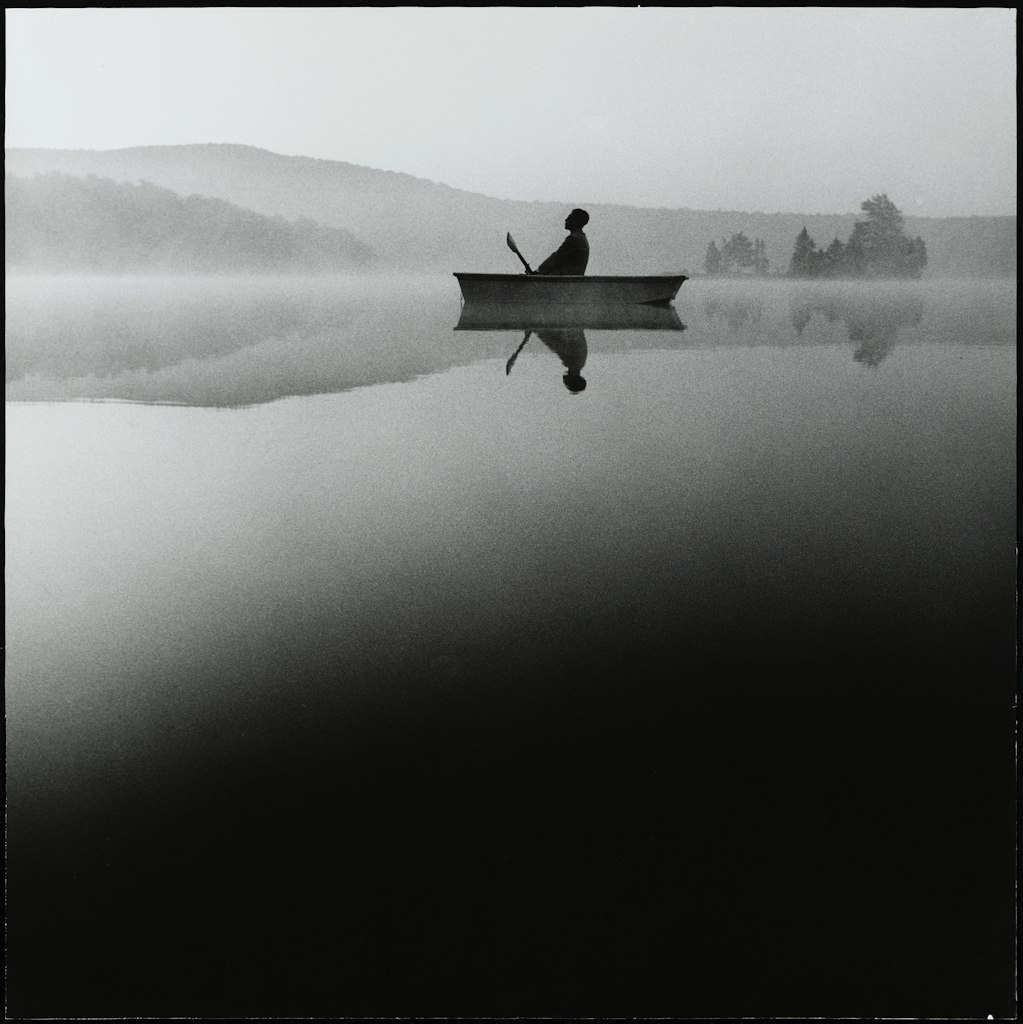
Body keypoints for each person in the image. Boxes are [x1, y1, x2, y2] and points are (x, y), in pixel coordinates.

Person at [531, 209, 590, 275]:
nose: (566, 220)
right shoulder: (581, 237)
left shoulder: (574, 239)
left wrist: (538, 272)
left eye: (570, 217)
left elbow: (556, 258)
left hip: (567, 280)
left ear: (576, 221)